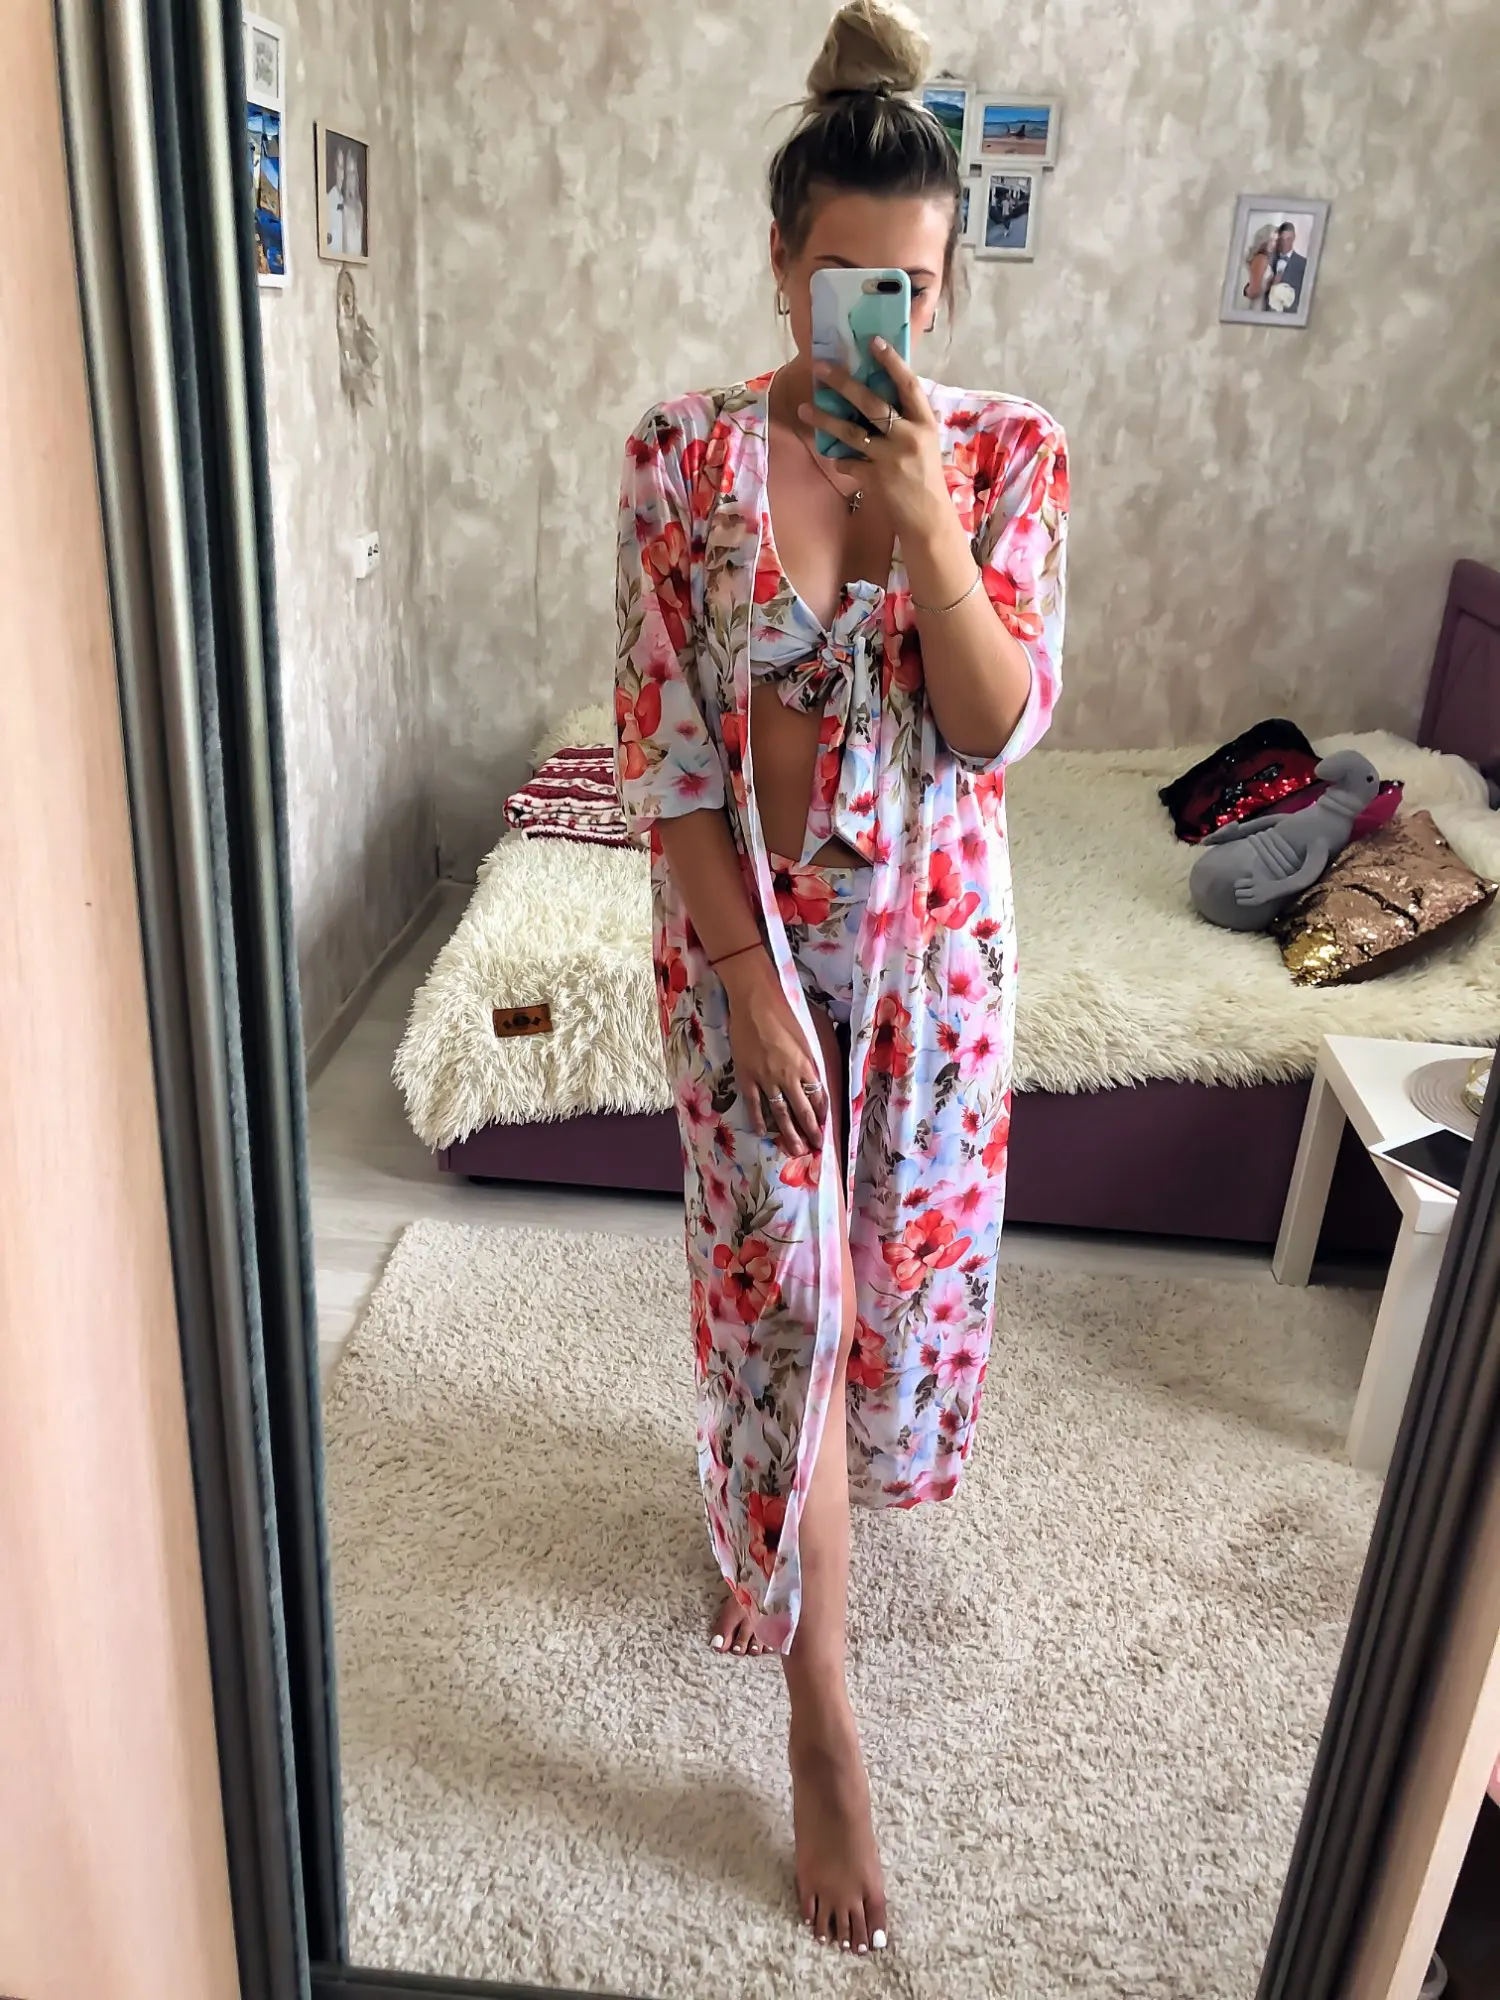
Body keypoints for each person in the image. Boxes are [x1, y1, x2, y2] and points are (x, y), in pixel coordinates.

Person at [613, 0, 1067, 1954]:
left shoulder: (1011, 457)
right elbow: (664, 751)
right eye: (840, 284)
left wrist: (930, 530)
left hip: (934, 971)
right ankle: (821, 1714)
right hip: (750, 958)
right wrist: (745, 978)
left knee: (877, 1296)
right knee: (782, 1295)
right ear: (781, 266)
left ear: (943, 287)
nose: (879, 322)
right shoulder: (677, 459)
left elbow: (995, 726)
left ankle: (802, 1543)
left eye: (913, 290)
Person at [1268, 220, 1307, 309]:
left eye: (1288, 239)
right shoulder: (1269, 259)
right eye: (1282, 239)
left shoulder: (1303, 263)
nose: (1285, 243)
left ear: (1294, 238)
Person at [1242, 221, 1278, 308]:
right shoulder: (1261, 258)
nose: (1274, 244)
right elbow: (1253, 291)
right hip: (1259, 304)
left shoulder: (1267, 258)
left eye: (1276, 241)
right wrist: (1272, 284)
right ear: (1264, 241)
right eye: (1271, 240)